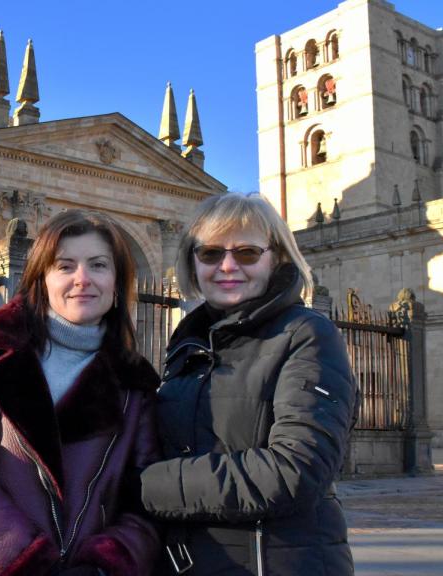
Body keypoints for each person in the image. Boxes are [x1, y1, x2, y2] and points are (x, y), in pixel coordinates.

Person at [0, 210, 161, 575]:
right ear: (42, 279)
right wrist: (22, 558)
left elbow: (147, 498)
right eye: (65, 266)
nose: (83, 279)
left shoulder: (136, 384)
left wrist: (103, 565)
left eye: (98, 265)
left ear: (117, 284)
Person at [140, 193, 357, 575]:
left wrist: (143, 486)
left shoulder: (306, 335)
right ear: (192, 262)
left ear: (276, 259)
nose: (227, 266)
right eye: (209, 253)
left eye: (246, 253)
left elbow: (296, 470)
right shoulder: (189, 344)